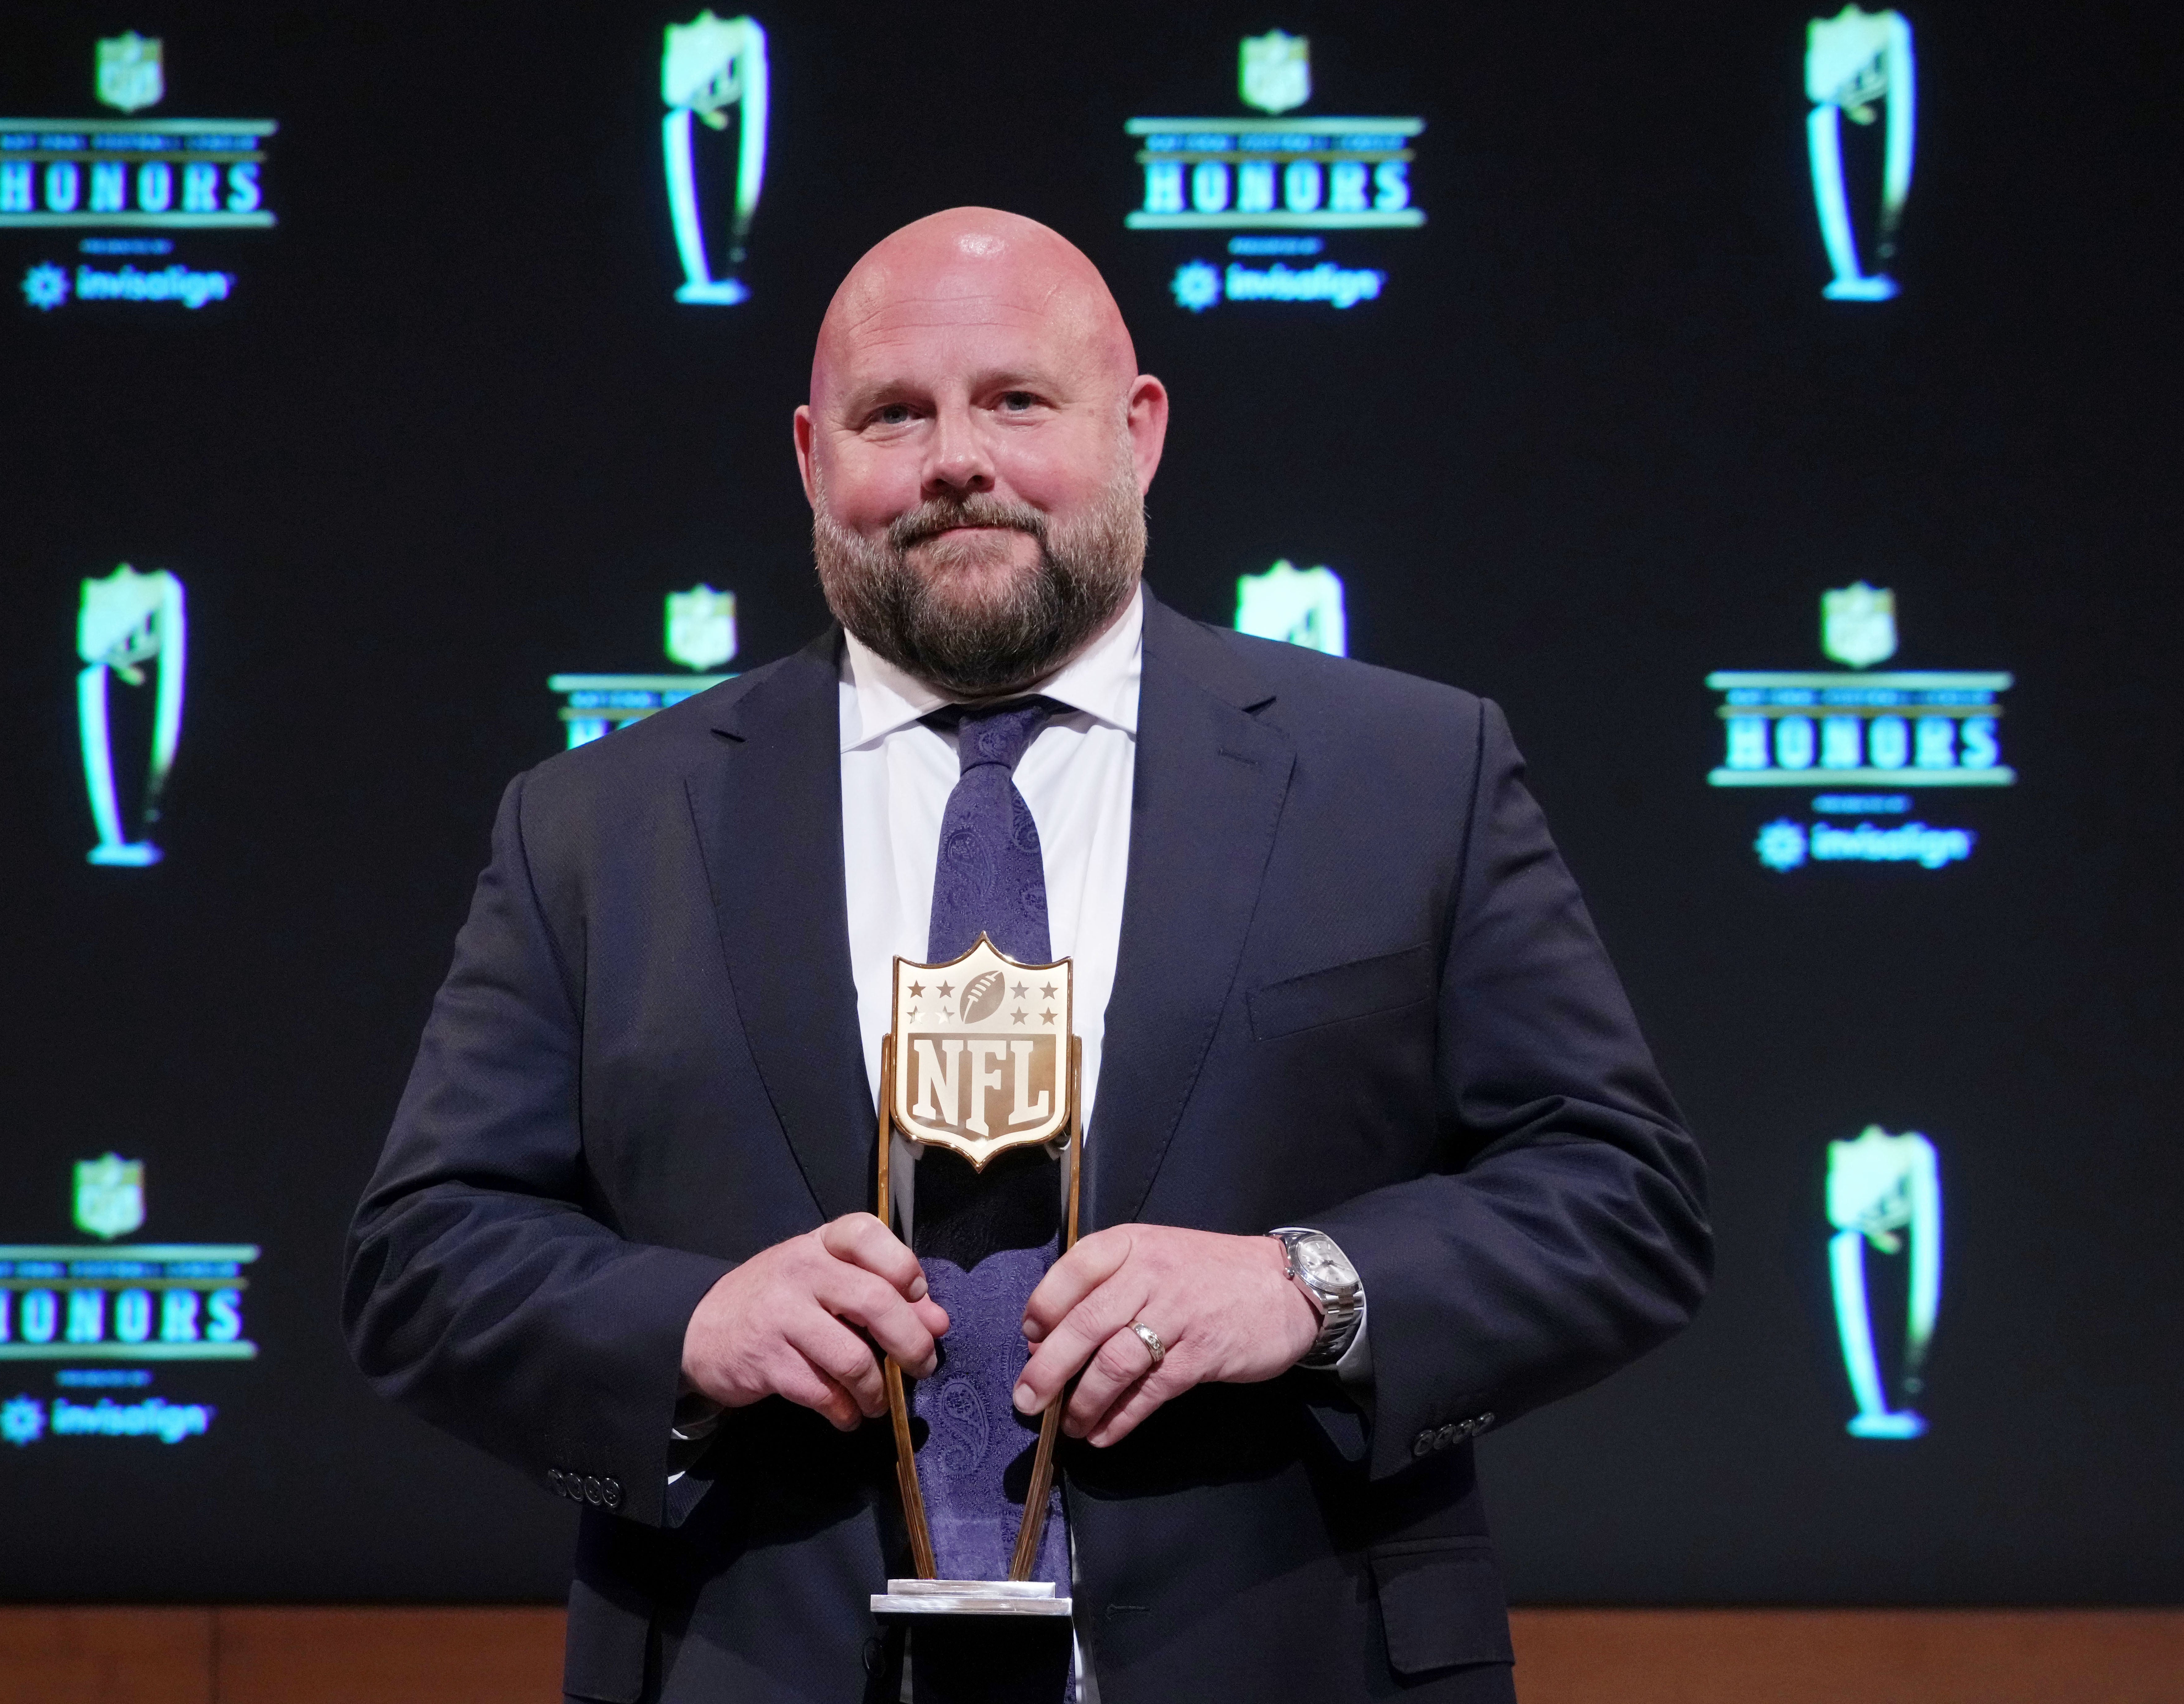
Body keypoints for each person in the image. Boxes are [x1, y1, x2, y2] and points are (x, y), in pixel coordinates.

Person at [345, 208, 1711, 1704]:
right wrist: (685, 1324)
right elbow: (425, 1253)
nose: (952, 459)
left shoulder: (1403, 772)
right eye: (892, 414)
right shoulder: (599, 825)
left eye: (1013, 400)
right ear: (812, 458)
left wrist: (1305, 1285)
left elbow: (1618, 1192)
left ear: (1137, 430)